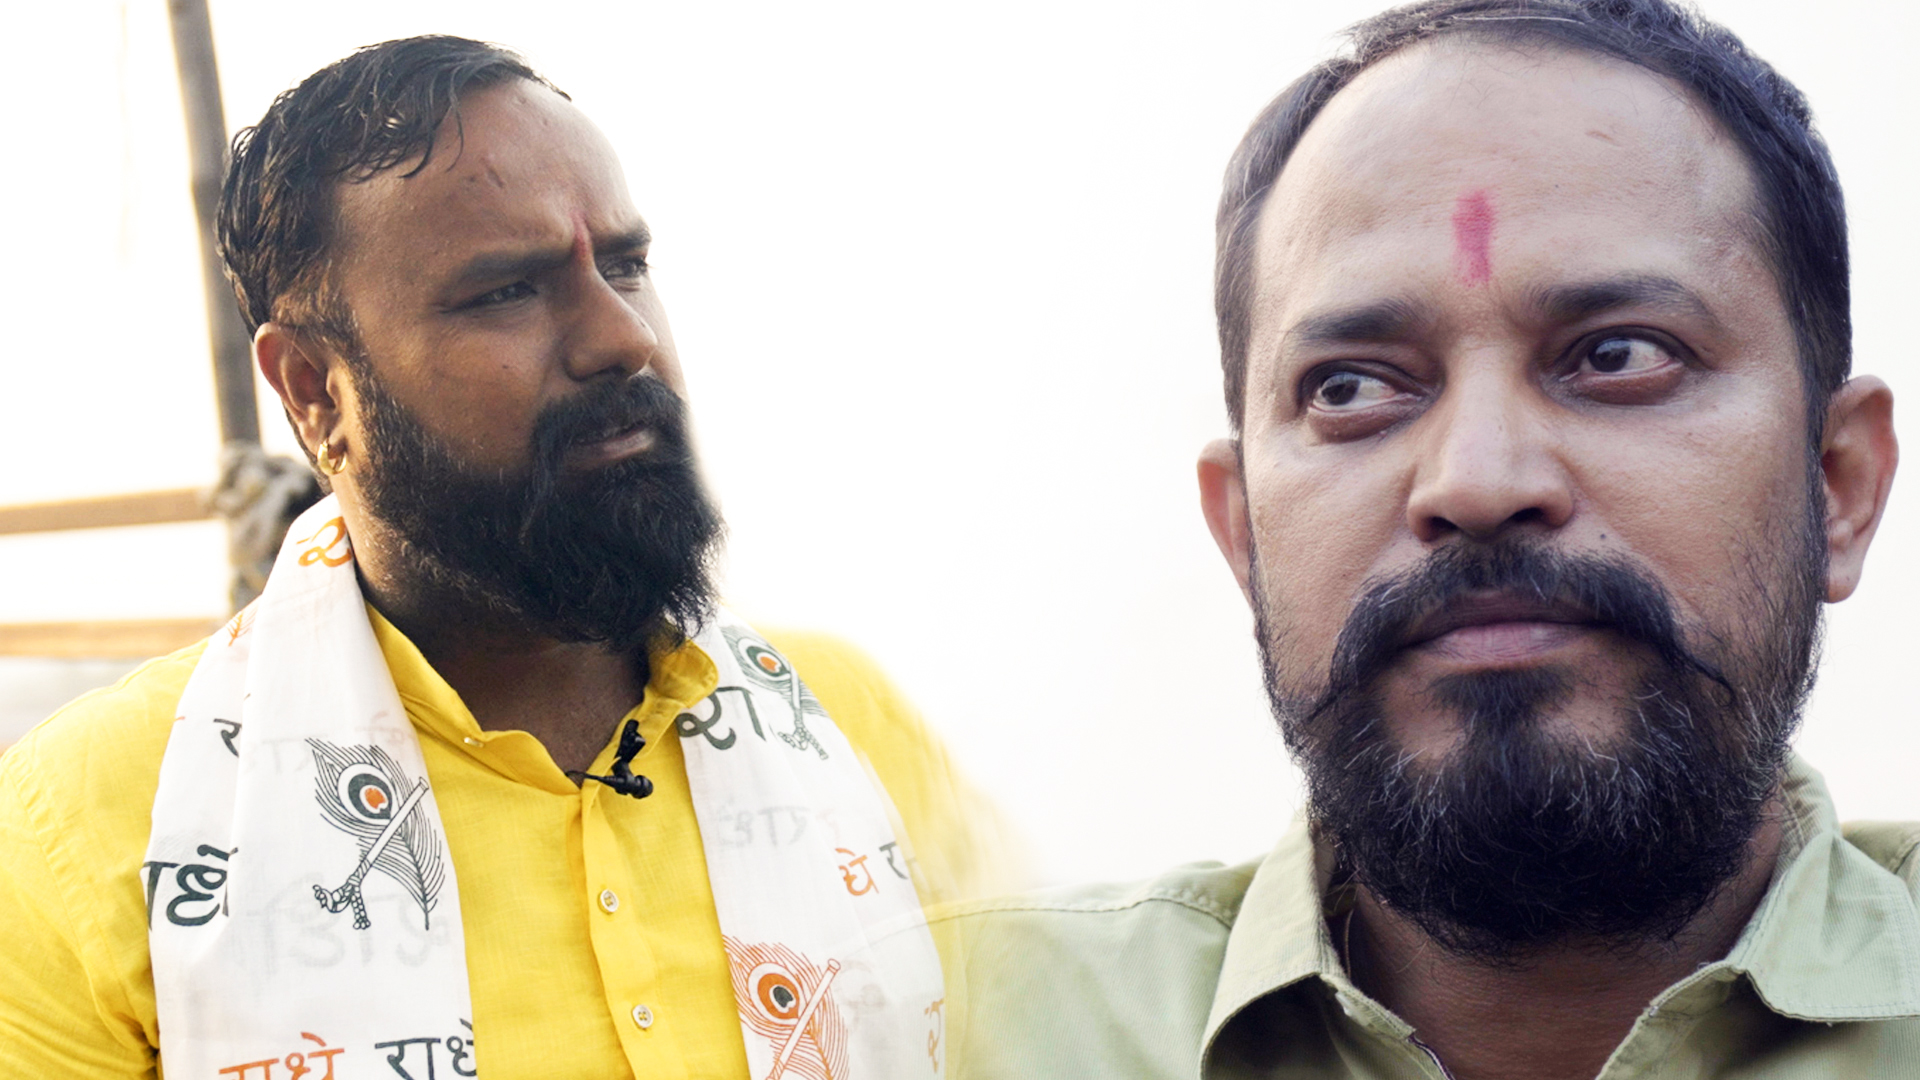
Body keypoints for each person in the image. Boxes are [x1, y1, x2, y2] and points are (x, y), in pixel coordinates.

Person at [0, 36, 1011, 1079]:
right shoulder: (87, 831)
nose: (622, 338)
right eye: (505, 292)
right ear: (313, 390)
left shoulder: (844, 722)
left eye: (626, 265)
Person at [934, 1, 1913, 1077]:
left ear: (1840, 485)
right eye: (1351, 387)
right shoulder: (911, 1028)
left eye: (1619, 355)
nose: (1476, 483)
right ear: (1243, 534)